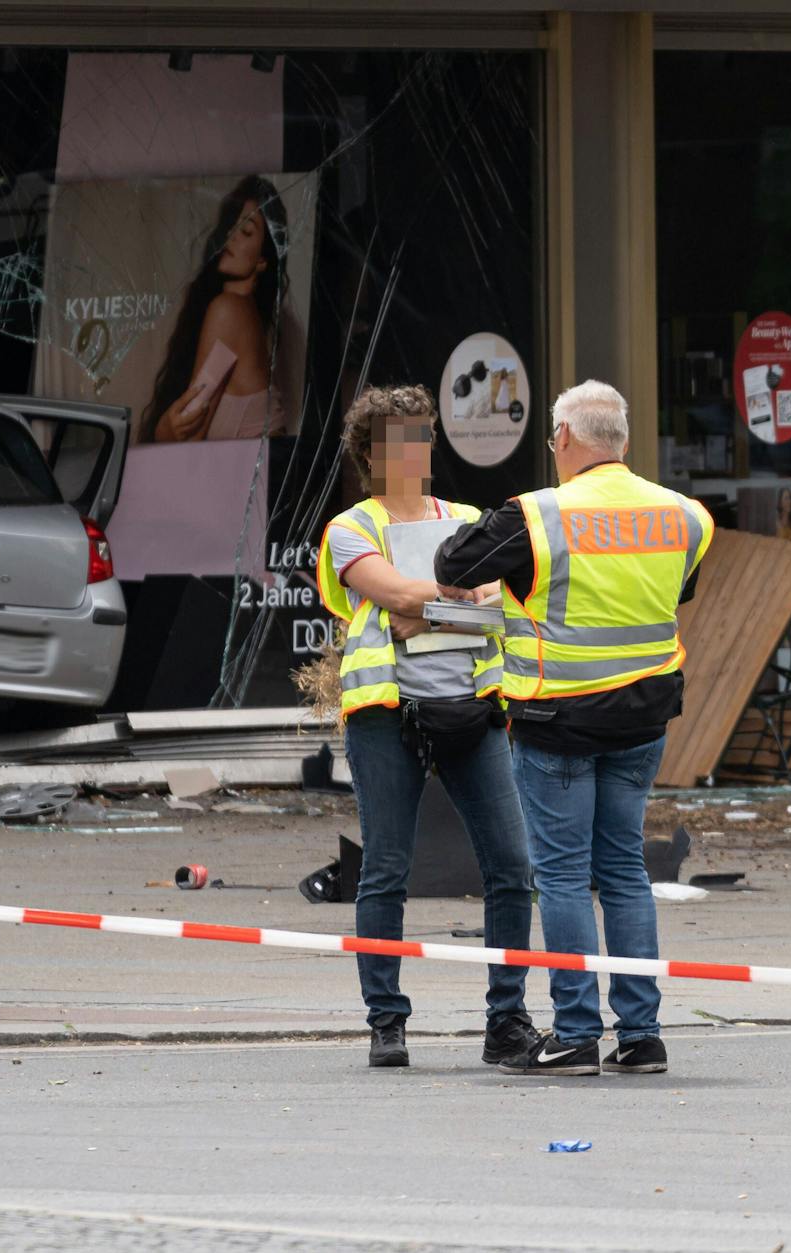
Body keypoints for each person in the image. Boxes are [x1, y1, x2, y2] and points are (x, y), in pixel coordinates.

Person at [437, 380, 713, 1078]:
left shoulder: (537, 514)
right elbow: (674, 590)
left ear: (562, 437)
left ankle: (577, 1031)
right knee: (623, 869)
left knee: (560, 875)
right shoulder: (685, 516)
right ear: (620, 439)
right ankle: (642, 1035)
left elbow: (452, 565)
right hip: (644, 719)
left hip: (557, 718)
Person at [315, 384, 539, 1070]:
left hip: (471, 710)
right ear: (369, 454)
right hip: (388, 716)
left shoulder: (467, 515)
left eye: (422, 435)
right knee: (385, 869)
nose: (416, 449)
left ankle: (507, 1020)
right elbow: (393, 591)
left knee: (513, 867)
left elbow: (496, 599)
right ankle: (387, 1020)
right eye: (399, 439)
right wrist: (447, 594)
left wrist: (431, 603)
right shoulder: (352, 526)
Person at [141, 175, 286, 443]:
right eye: (232, 225)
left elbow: (187, 434)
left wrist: (162, 431)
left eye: (246, 232)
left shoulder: (230, 311)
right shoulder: (245, 316)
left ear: (263, 259)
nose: (231, 235)